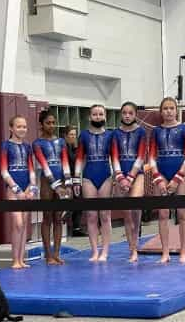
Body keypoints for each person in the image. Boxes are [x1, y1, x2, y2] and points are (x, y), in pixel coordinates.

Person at [148, 97, 185, 263]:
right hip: (161, 172)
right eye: (165, 108)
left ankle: (183, 251)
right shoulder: (156, 131)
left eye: (171, 108)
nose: (168, 111)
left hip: (180, 173)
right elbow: (151, 157)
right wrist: (158, 178)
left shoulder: (184, 129)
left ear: (176, 110)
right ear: (161, 112)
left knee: (182, 213)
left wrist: (178, 177)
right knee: (163, 213)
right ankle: (165, 252)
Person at [73, 105, 116, 262]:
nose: (97, 117)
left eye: (100, 114)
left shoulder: (110, 135)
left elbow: (115, 158)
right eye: (94, 114)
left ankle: (105, 251)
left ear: (104, 116)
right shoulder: (83, 135)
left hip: (106, 175)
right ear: (89, 117)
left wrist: (117, 175)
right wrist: (76, 179)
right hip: (88, 176)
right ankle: (94, 251)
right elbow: (78, 158)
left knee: (105, 215)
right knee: (91, 215)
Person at [33, 110, 72, 265]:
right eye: (48, 123)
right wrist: (55, 186)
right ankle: (48, 255)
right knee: (47, 217)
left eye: (53, 123)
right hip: (47, 182)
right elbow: (44, 164)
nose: (51, 126)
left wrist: (67, 182)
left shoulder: (61, 142)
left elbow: (65, 162)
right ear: (41, 124)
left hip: (61, 180)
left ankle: (56, 253)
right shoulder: (37, 143)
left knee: (58, 218)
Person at [0, 115, 38, 269]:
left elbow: (32, 169)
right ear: (11, 128)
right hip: (13, 189)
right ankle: (14, 259)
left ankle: (21, 259)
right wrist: (16, 189)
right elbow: (4, 171)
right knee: (17, 223)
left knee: (24, 225)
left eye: (24, 127)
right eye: (19, 126)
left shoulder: (27, 147)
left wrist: (32, 188)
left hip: (27, 188)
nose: (22, 129)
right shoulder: (6, 146)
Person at [112, 102, 147, 263]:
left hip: (137, 173)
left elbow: (141, 156)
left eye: (130, 113)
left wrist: (131, 177)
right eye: (124, 112)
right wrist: (120, 177)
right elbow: (114, 156)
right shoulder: (115, 134)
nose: (127, 115)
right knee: (126, 214)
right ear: (121, 114)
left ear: (135, 115)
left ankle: (136, 242)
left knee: (136, 209)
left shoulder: (141, 132)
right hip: (121, 174)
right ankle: (132, 249)